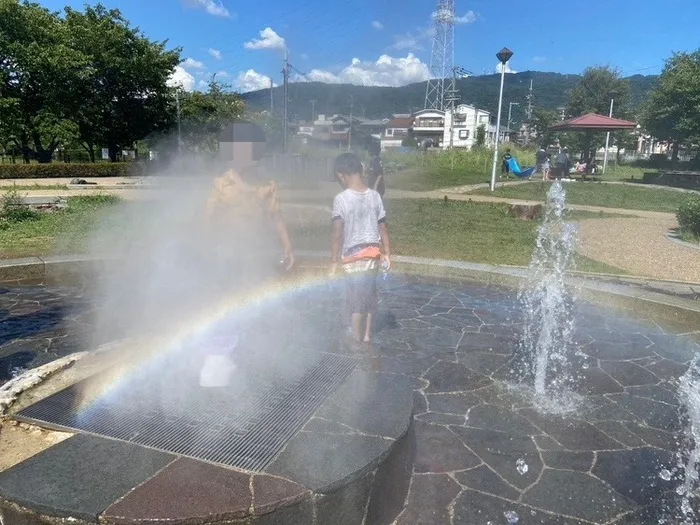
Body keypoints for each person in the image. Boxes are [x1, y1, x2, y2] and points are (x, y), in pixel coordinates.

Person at [199, 121, 294, 387]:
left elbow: (276, 217)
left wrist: (287, 245)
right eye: (237, 150)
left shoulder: (267, 186)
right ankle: (217, 357)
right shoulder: (221, 184)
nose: (243, 155)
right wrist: (206, 251)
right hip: (224, 254)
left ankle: (248, 355)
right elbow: (208, 219)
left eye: (248, 149)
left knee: (253, 303)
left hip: (255, 254)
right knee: (223, 304)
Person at [330, 152, 391, 344]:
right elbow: (383, 227)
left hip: (353, 258)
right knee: (370, 296)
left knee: (355, 301)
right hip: (373, 254)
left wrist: (333, 261)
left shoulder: (341, 199)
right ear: (361, 170)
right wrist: (387, 254)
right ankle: (367, 336)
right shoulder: (375, 196)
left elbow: (338, 233)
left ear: (341, 175)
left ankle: (356, 339)